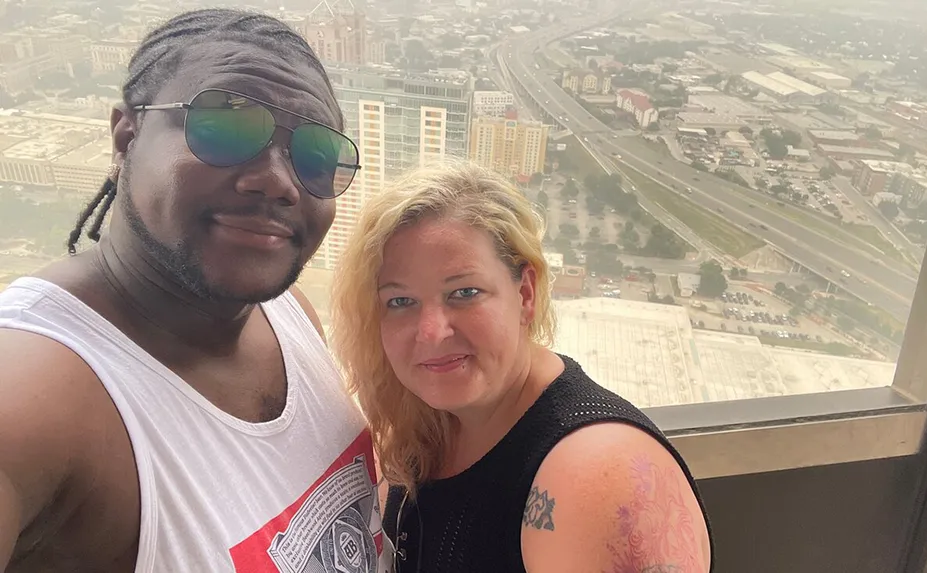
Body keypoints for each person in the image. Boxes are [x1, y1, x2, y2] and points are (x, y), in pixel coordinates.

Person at [0, 9, 391, 573]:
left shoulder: (288, 313)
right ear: (125, 138)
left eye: (315, 157)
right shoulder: (41, 388)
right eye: (226, 129)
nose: (278, 180)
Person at [331, 160, 714, 573]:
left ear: (525, 293)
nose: (431, 331)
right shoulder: (424, 424)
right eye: (400, 301)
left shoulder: (594, 477)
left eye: (464, 292)